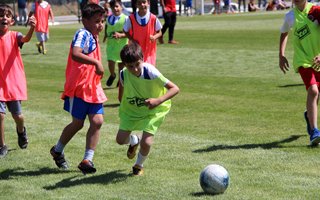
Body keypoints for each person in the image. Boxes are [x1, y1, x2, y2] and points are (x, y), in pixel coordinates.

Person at [50, 4, 107, 174]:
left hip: (93, 87)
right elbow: (76, 53)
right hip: (79, 87)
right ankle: (57, 149)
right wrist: (96, 62)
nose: (101, 24)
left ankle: (87, 160)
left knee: (97, 121)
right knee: (78, 123)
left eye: (102, 21)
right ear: (85, 21)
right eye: (97, 21)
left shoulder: (93, 35)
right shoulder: (82, 33)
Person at [116, 42, 180, 175]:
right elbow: (122, 89)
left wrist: (158, 100)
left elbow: (175, 88)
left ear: (142, 60)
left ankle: (138, 165)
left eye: (137, 65)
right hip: (132, 110)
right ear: (124, 65)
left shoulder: (150, 72)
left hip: (153, 110)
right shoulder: (123, 74)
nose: (134, 69)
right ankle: (134, 140)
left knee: (147, 142)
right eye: (130, 66)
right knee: (120, 140)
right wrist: (122, 100)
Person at [279, 0, 320, 146]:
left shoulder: (316, 11)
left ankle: (309, 116)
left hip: (318, 59)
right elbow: (284, 33)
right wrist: (281, 55)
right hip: (302, 60)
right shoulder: (290, 16)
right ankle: (315, 131)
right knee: (313, 91)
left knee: (316, 94)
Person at [0, 4, 36, 158]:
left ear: (12, 21)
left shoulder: (15, 36)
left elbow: (26, 39)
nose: (4, 18)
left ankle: (21, 131)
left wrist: (32, 28)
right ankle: (2, 146)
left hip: (13, 82)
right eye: (1, 15)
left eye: (7, 16)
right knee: (0, 115)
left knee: (18, 116)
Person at [123, 0, 162, 66]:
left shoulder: (153, 18)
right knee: (137, 69)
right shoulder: (131, 18)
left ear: (148, 3)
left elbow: (160, 32)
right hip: (135, 50)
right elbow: (125, 30)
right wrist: (131, 39)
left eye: (144, 2)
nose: (142, 5)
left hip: (149, 51)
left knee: (148, 71)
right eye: (139, 3)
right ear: (136, 5)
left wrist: (154, 37)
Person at [103, 0, 128, 87]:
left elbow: (129, 33)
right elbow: (107, 27)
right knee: (110, 61)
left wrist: (121, 35)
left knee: (121, 64)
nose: (115, 8)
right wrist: (105, 36)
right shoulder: (109, 18)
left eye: (117, 6)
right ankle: (113, 74)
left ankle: (120, 79)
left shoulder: (126, 18)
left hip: (122, 45)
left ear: (121, 7)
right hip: (111, 45)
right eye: (113, 7)